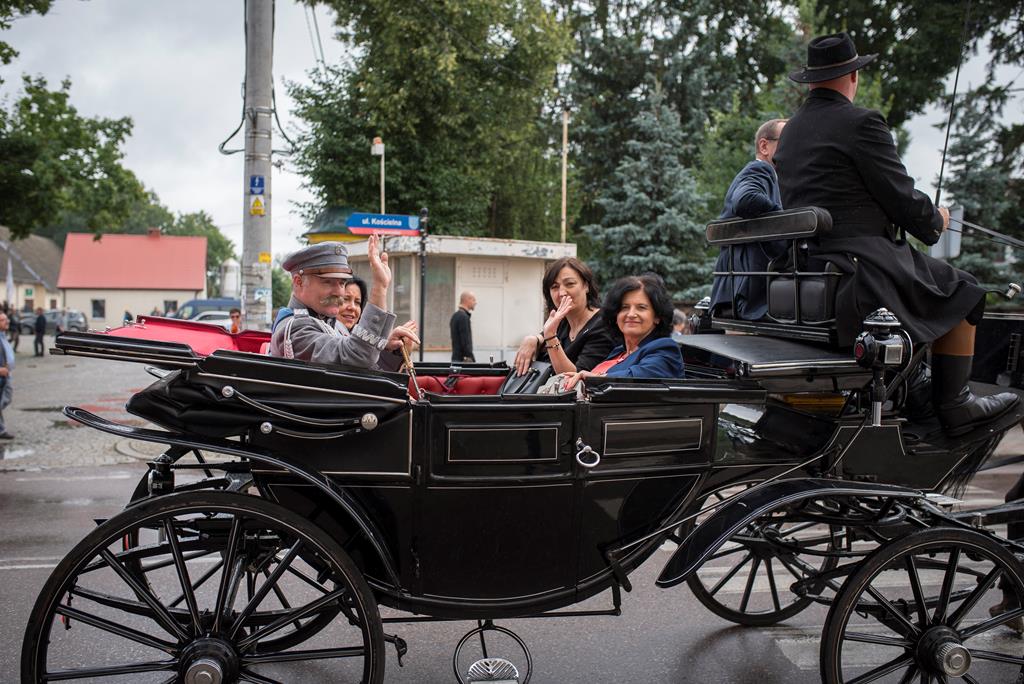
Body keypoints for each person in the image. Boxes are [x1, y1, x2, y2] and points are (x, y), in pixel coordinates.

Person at [774, 32, 1018, 436]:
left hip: (807, 261)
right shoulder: (861, 122)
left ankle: (916, 392)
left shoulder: (792, 131)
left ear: (811, 80)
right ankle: (955, 404)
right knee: (966, 289)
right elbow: (900, 195)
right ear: (853, 75)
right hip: (860, 265)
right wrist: (934, 220)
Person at [269, 237, 418, 367]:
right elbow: (356, 357)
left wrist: (387, 348)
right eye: (327, 282)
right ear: (298, 281)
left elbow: (365, 374)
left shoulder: (327, 322)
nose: (339, 292)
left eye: (341, 283)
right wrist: (379, 287)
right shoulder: (295, 329)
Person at [709, 118, 789, 320]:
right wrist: (787, 220)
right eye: (787, 140)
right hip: (747, 295)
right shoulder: (760, 169)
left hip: (741, 290)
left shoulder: (774, 179)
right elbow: (746, 199)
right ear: (764, 146)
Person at [561, 274, 684, 391]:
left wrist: (596, 378)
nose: (631, 314)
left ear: (657, 316)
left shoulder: (665, 349)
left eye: (641, 307)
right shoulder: (618, 352)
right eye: (625, 307)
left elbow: (642, 377)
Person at [513, 257, 615, 377]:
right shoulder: (562, 322)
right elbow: (542, 336)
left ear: (586, 286)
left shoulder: (603, 325)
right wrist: (532, 339)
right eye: (554, 287)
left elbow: (574, 378)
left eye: (570, 284)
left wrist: (551, 337)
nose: (562, 293)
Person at [336, 275, 417, 372]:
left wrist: (397, 350)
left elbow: (378, 373)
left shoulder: (362, 338)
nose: (352, 307)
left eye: (357, 302)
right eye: (345, 299)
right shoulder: (327, 335)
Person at [449, 291, 476, 362]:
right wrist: (472, 360)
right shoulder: (463, 317)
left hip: (456, 359)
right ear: (467, 300)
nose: (475, 302)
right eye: (473, 300)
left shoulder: (455, 316)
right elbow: (465, 342)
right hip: (463, 361)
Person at [0, 312, 15, 439]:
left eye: (6, 319)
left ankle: (1, 430)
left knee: (6, 398)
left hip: (6, 375)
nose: (7, 321)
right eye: (3, 320)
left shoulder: (3, 335)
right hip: (1, 374)